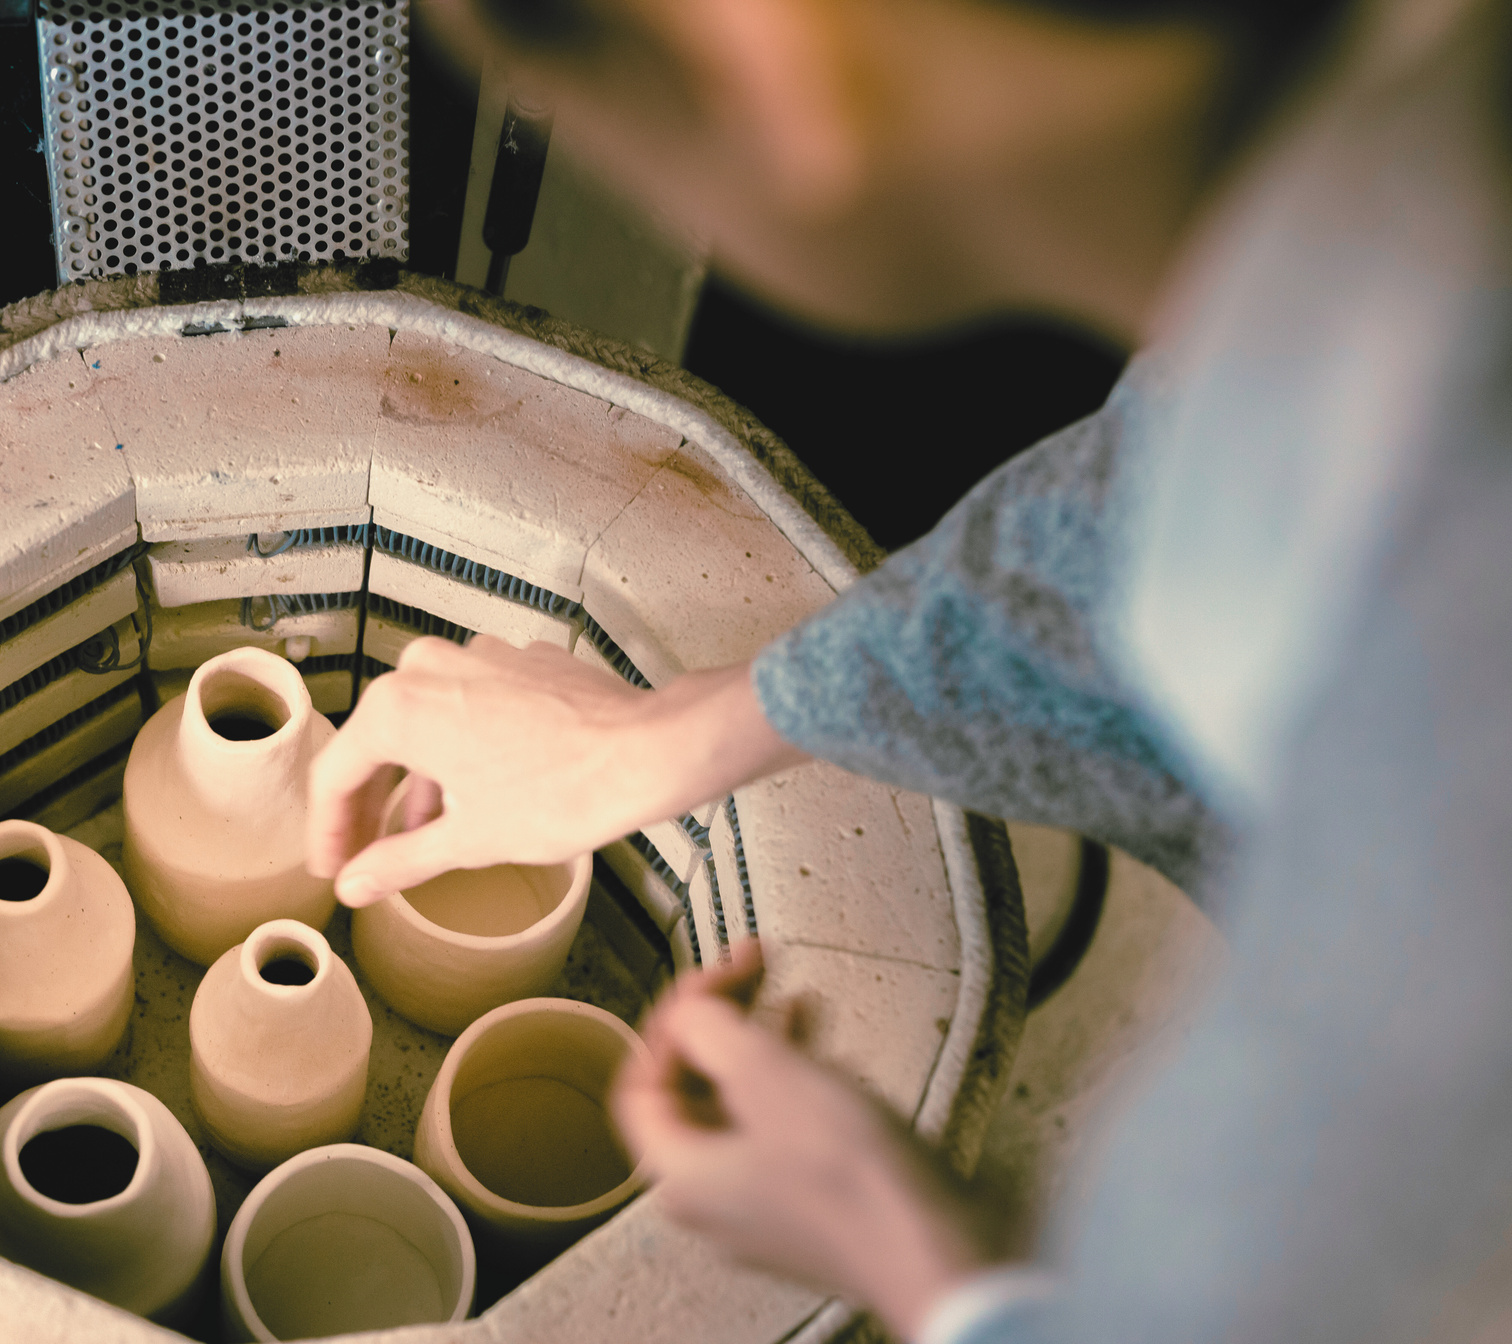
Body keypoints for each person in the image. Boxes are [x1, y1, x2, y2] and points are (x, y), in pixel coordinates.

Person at [308, 0, 1512, 1340]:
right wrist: (678, 736)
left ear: (771, 57)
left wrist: (920, 1257)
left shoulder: (1446, 824)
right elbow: (1126, 517)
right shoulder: (1432, 189)